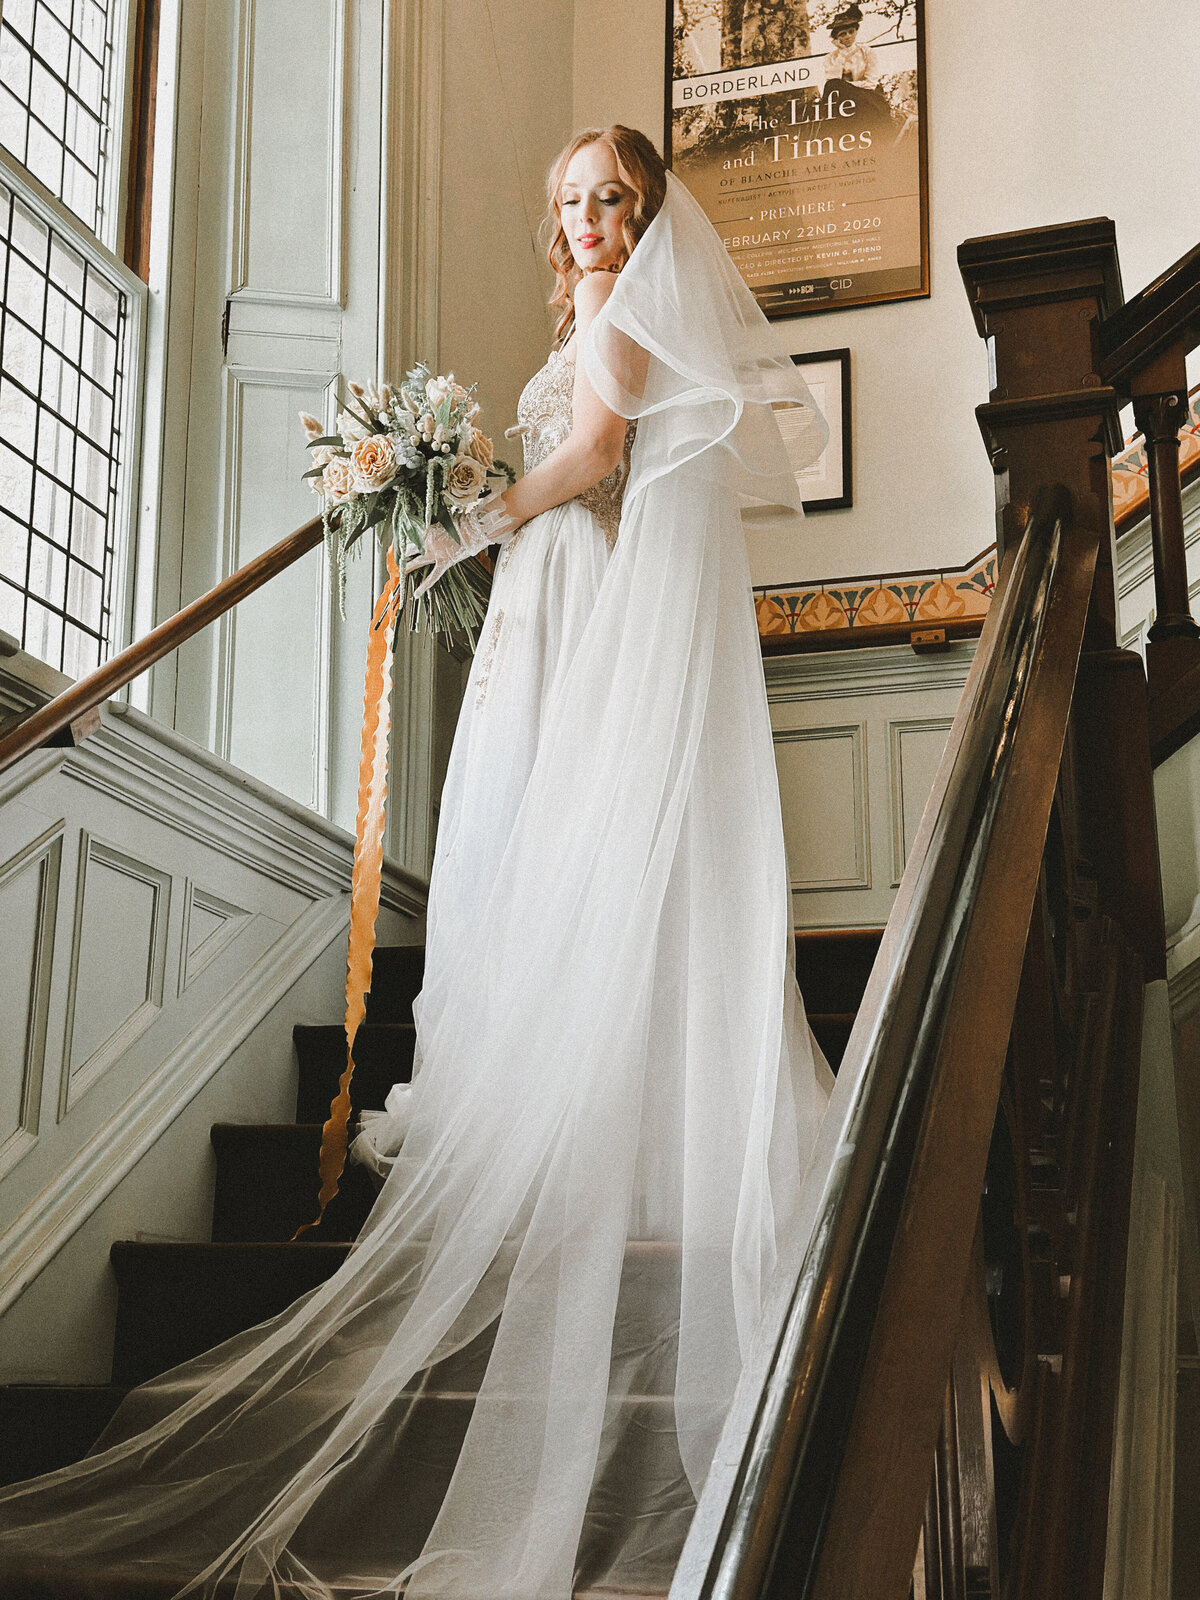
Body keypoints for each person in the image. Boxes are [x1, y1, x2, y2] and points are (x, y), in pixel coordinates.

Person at [0, 126, 831, 1600]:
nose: (585, 221)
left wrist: (470, 516)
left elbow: (599, 455)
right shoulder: (587, 312)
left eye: (609, 200)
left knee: (559, 848)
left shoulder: (632, 311)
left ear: (645, 211)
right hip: (553, 597)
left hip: (574, 597)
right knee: (524, 850)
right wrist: (474, 508)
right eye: (568, 200)